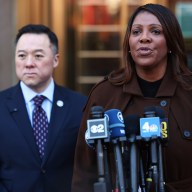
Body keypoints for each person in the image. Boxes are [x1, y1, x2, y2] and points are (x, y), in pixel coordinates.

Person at [72, 3, 192, 192]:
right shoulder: (104, 94)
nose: (144, 38)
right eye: (136, 32)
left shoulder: (188, 92)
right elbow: (84, 171)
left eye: (155, 31)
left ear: (171, 40)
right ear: (128, 42)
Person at [0, 24, 87, 192]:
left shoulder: (79, 106)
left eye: (38, 56)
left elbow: (88, 166)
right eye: (22, 56)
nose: (29, 63)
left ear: (56, 60)